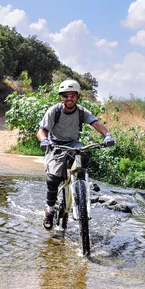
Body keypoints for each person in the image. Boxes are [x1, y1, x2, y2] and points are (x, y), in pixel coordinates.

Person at [37, 79, 115, 229]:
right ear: (62, 97)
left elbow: (95, 123)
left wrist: (107, 135)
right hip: (55, 145)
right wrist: (44, 140)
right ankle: (50, 211)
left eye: (72, 95)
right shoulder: (54, 111)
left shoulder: (81, 112)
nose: (69, 98)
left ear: (77, 96)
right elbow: (42, 130)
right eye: (65, 95)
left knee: (84, 154)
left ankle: (79, 184)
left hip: (73, 144)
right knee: (52, 179)